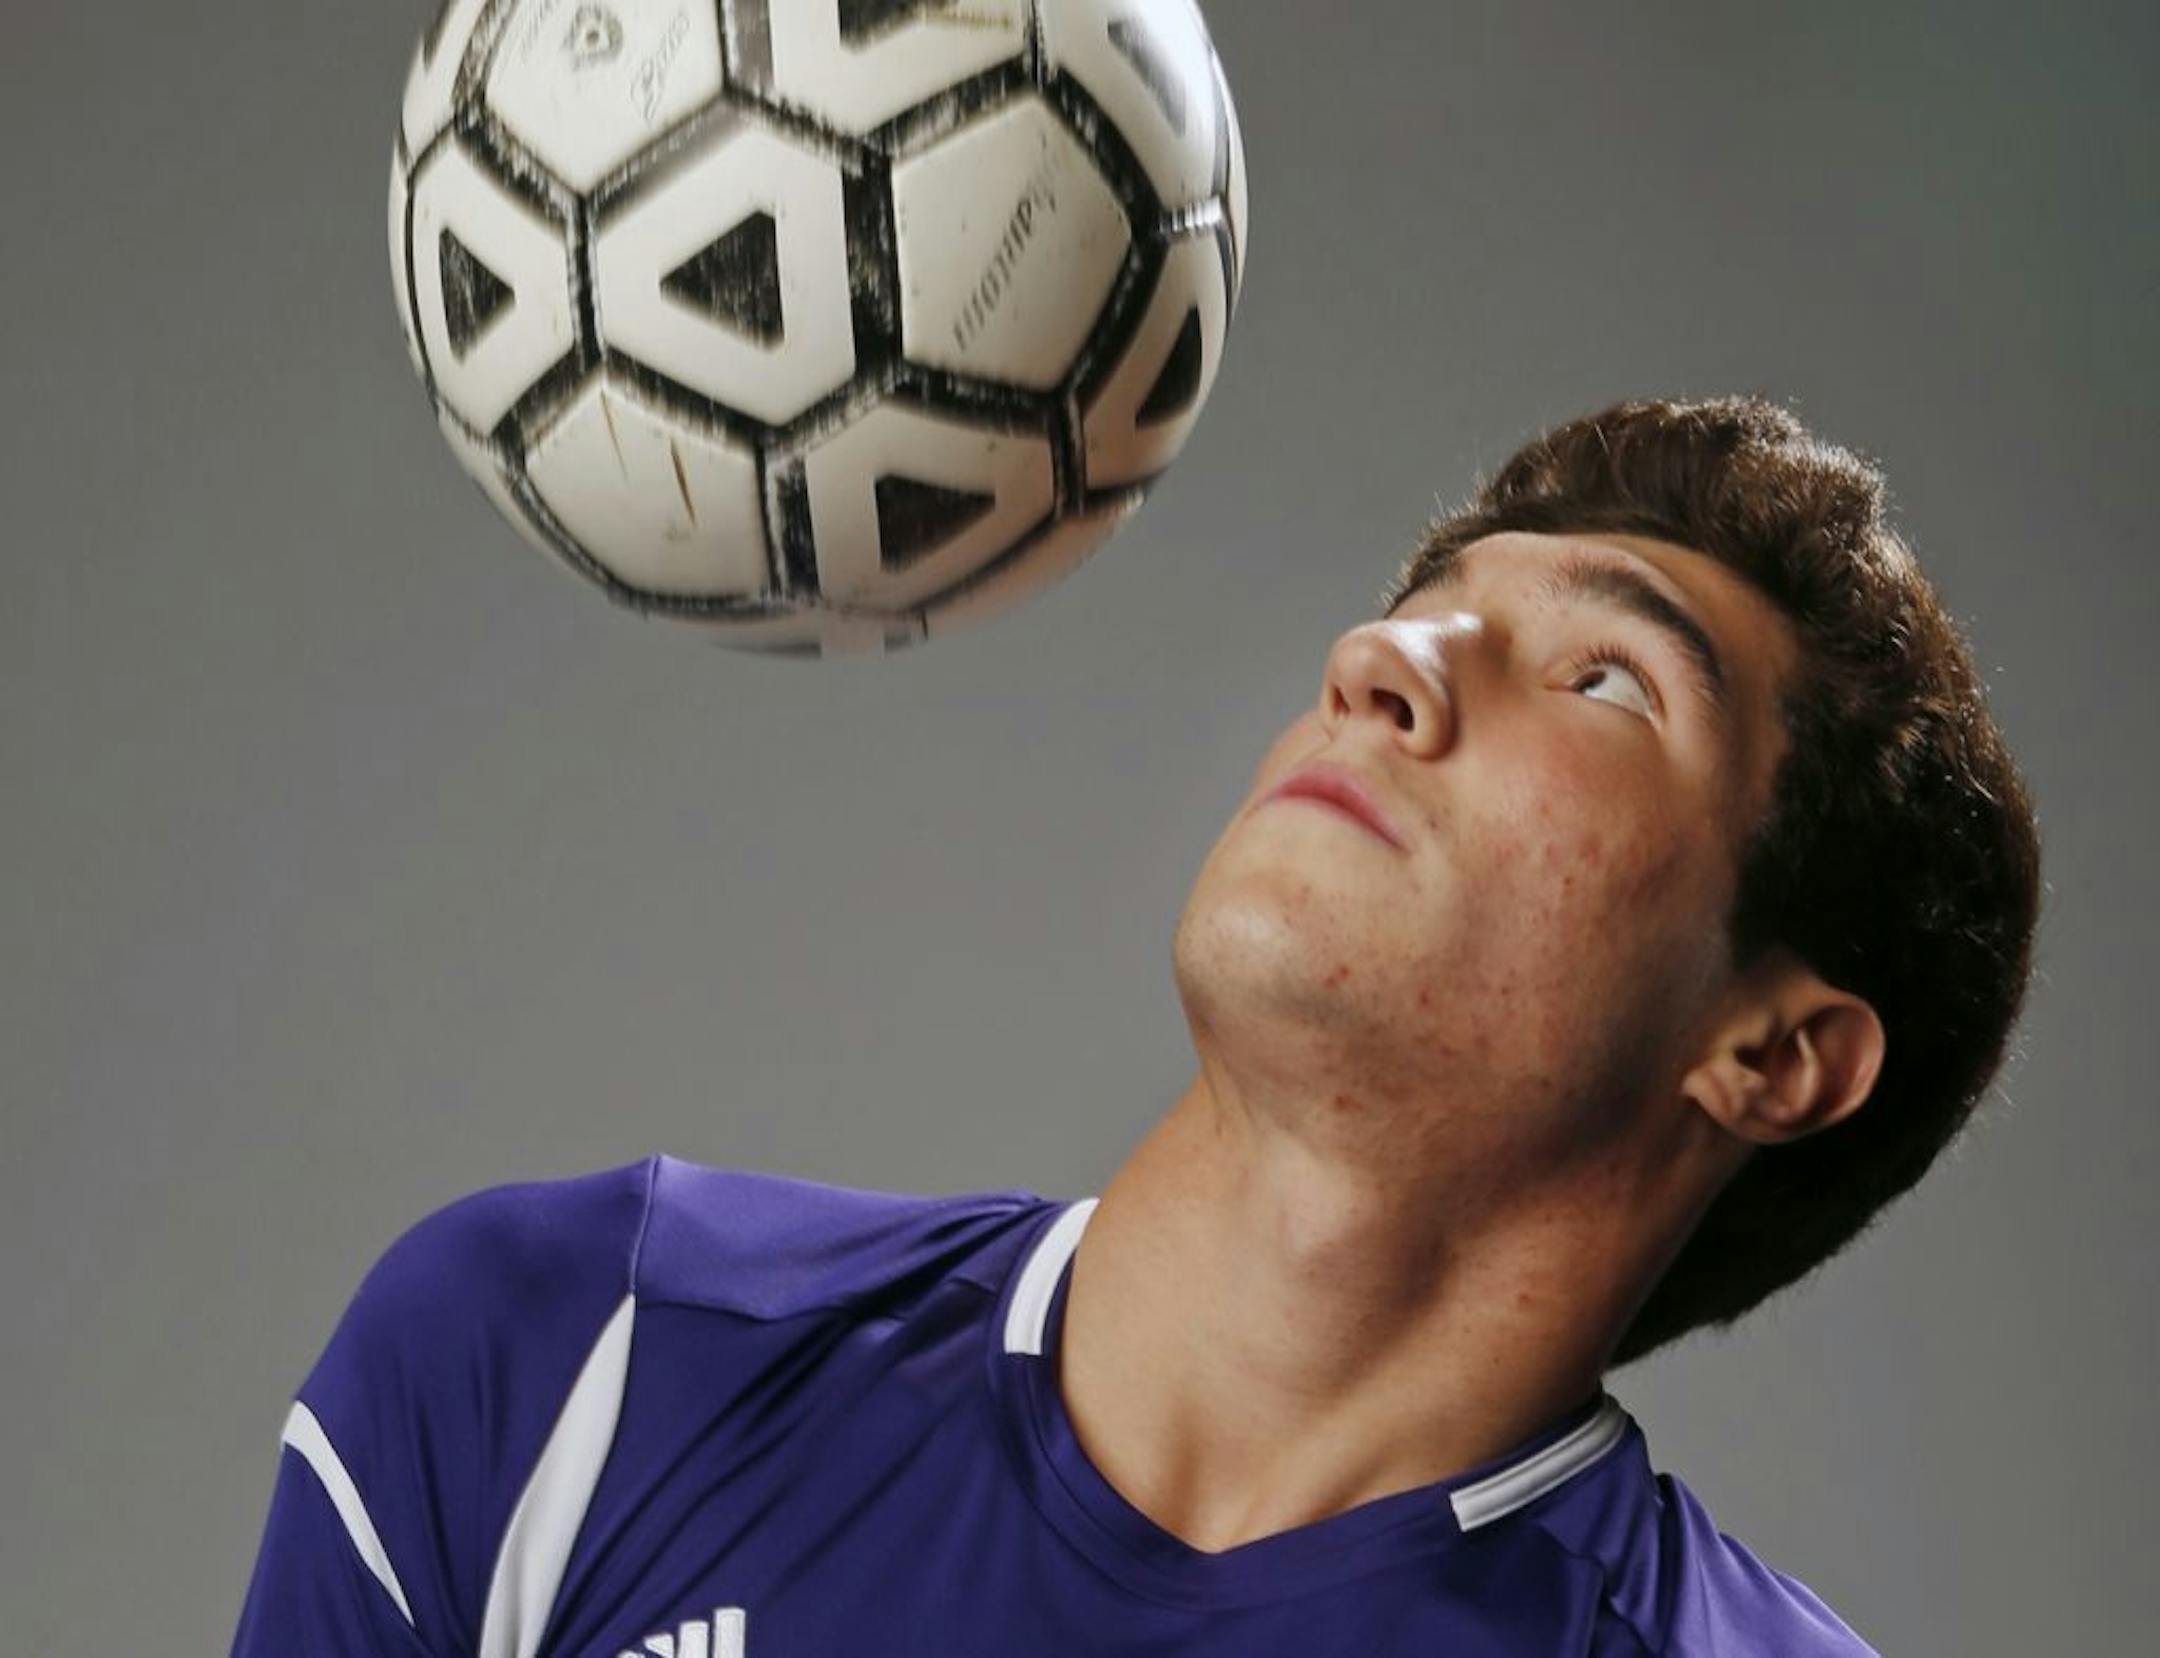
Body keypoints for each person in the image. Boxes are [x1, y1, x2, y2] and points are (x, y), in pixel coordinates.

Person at [230, 396, 2041, 1657]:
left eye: (1603, 677)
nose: (1385, 665)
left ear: (1771, 1056)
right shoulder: (574, 1359)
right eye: (1424, 611)